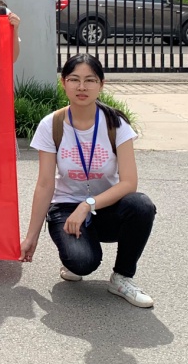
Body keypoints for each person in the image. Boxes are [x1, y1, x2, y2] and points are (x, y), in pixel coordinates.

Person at [20, 53, 157, 307]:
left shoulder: (115, 124)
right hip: (66, 210)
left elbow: (129, 183)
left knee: (141, 205)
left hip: (103, 207)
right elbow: (45, 184)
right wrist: (31, 237)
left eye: (90, 80)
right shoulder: (52, 125)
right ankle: (73, 255)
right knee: (82, 263)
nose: (82, 87)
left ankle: (122, 277)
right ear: (63, 82)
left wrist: (88, 204)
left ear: (101, 84)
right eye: (74, 79)